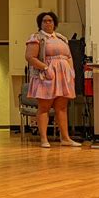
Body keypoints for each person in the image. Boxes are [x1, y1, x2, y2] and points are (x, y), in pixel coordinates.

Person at [25, 12, 81, 148]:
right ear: (40, 23)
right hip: (46, 76)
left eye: (50, 20)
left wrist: (71, 72)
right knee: (44, 107)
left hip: (63, 76)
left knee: (61, 107)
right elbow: (30, 57)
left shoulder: (62, 38)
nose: (47, 23)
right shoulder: (37, 37)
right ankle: (44, 139)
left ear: (55, 23)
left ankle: (65, 138)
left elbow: (68, 57)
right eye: (44, 21)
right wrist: (45, 68)